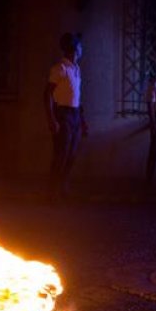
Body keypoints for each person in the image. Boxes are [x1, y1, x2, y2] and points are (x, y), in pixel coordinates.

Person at [43, 32, 88, 200]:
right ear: (74, 49)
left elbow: (76, 96)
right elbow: (46, 94)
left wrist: (82, 120)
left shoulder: (76, 69)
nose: (82, 49)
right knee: (61, 154)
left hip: (75, 114)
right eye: (80, 46)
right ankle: (52, 192)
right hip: (63, 114)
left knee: (72, 154)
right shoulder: (60, 69)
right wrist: (52, 119)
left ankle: (63, 186)